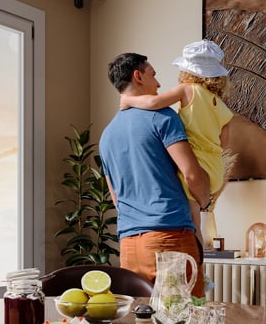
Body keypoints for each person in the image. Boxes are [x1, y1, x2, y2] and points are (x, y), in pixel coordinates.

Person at [99, 52, 211, 298]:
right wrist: (205, 200)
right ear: (138, 76)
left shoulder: (106, 135)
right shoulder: (163, 116)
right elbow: (191, 173)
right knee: (185, 322)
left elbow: (116, 198)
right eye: (153, 75)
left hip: (129, 245)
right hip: (169, 237)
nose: (159, 84)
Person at [119, 40, 234, 238]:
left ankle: (197, 256)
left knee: (192, 224)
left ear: (188, 70)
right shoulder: (224, 109)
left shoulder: (187, 90)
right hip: (215, 169)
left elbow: (155, 102)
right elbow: (223, 144)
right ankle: (199, 257)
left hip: (196, 165)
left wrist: (128, 100)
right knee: (196, 218)